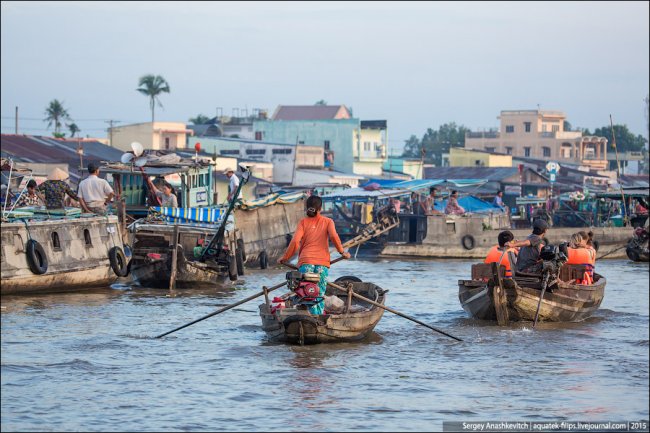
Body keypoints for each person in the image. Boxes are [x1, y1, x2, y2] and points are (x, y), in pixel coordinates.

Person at [278, 195, 351, 315]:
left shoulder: (303, 222)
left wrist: (285, 258)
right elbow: (333, 237)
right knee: (320, 293)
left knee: (307, 293)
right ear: (320, 208)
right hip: (322, 263)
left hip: (306, 263)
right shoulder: (328, 221)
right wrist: (342, 252)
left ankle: (310, 316)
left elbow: (295, 241)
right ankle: (318, 317)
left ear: (307, 208)